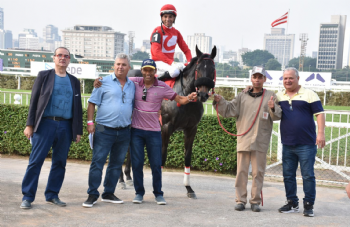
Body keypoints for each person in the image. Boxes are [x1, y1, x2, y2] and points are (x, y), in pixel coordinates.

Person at [93, 59, 197, 205]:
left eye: (151, 70)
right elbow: (118, 78)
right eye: (145, 70)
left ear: (155, 72)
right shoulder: (133, 82)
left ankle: (158, 194)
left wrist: (190, 98)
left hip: (154, 132)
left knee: (156, 164)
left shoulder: (162, 86)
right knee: (137, 164)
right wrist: (99, 80)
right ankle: (139, 193)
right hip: (136, 132)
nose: (148, 73)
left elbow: (179, 98)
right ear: (142, 71)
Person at [213, 66, 282, 212]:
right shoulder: (242, 95)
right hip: (244, 138)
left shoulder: (271, 96)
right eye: (254, 77)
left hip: (260, 139)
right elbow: (230, 109)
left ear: (264, 79)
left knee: (258, 172)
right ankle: (240, 200)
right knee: (241, 172)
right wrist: (220, 100)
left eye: (260, 77)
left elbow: (277, 116)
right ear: (251, 78)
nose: (257, 80)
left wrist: (272, 107)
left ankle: (255, 201)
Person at [21, 47, 83, 209]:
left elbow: (77, 107)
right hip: (45, 125)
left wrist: (77, 130)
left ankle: (52, 194)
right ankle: (27, 196)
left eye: (66, 56)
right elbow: (34, 101)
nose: (62, 58)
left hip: (65, 126)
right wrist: (30, 125)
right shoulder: (44, 76)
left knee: (60, 162)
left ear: (69, 60)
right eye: (59, 55)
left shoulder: (74, 81)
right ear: (54, 58)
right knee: (35, 162)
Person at [82, 53, 135, 208]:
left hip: (124, 131)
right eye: (118, 64)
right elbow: (92, 103)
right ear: (114, 66)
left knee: (116, 163)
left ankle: (108, 193)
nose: (120, 67)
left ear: (129, 67)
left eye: (124, 64)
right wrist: (90, 122)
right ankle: (92, 194)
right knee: (97, 162)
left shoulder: (132, 85)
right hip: (103, 129)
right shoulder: (102, 82)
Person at [275, 67, 325, 217]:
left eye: (291, 78)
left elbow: (320, 114)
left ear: (298, 79)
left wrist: (321, 133)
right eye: (285, 78)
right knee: (288, 175)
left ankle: (308, 205)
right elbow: (261, 95)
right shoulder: (279, 96)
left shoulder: (309, 94)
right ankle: (292, 203)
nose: (288, 81)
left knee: (308, 175)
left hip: (307, 144)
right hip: (287, 143)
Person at [150, 4, 192, 80]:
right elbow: (156, 52)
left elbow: (186, 50)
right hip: (158, 62)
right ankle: (156, 82)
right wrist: (172, 63)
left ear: (174, 18)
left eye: (170, 17)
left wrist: (190, 62)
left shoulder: (177, 33)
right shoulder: (157, 31)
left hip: (170, 64)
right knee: (175, 71)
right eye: (165, 16)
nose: (167, 19)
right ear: (162, 18)